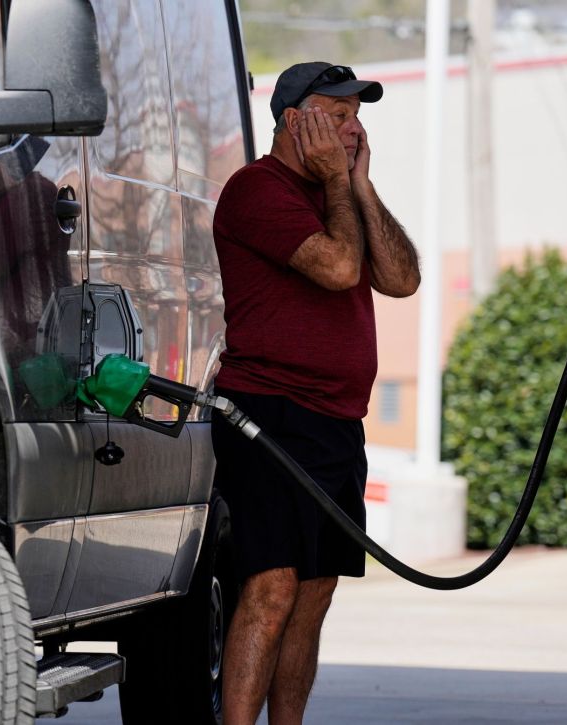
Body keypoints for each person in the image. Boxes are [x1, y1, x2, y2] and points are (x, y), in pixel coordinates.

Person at [210, 61, 421, 725]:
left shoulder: (345, 196)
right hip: (267, 414)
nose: (351, 130)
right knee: (272, 587)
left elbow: (402, 279)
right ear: (293, 120)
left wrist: (359, 185)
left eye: (356, 118)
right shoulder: (256, 189)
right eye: (337, 116)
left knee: (314, 593)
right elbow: (337, 267)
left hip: (336, 422)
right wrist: (335, 183)